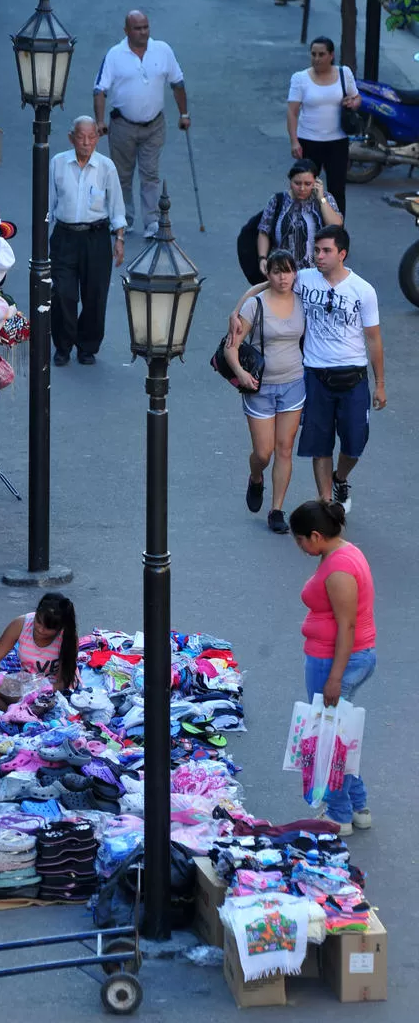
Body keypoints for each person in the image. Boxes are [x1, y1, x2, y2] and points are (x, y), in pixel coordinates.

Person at [229, 226, 386, 514]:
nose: (318, 256)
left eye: (325, 251)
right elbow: (266, 286)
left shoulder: (363, 290)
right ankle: (326, 503)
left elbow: (374, 339)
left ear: (342, 254)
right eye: (316, 250)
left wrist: (380, 384)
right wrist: (236, 312)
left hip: (353, 375)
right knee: (319, 443)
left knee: (355, 443)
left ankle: (340, 478)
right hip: (314, 375)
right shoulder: (305, 279)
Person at [289, 499, 376, 836]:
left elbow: (347, 627)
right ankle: (358, 805)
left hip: (335, 661)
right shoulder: (342, 552)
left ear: (315, 536)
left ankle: (339, 815)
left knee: (329, 739)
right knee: (341, 733)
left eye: (300, 541)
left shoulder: (339, 570)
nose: (299, 547)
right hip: (339, 657)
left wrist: (334, 679)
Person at [224, 250, 305, 534]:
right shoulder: (254, 306)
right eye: (276, 272)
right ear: (268, 274)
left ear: (295, 273)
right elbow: (230, 347)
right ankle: (256, 477)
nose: (283, 277)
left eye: (288, 271)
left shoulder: (302, 299)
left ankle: (277, 510)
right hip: (259, 387)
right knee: (264, 452)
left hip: (294, 383)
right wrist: (241, 373)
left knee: (285, 449)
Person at [93, 10, 189, 238]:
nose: (143, 32)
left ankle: (153, 221)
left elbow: (177, 83)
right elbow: (99, 90)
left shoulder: (162, 50)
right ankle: (123, 219)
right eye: (137, 28)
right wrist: (99, 121)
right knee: (122, 175)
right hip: (122, 125)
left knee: (150, 174)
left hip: (154, 125)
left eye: (146, 27)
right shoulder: (115, 55)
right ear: (126, 31)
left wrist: (184, 113)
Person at [49, 117, 127, 366]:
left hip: (96, 238)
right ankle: (62, 346)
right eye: (81, 137)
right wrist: (42, 239)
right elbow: (47, 204)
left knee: (95, 295)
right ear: (71, 138)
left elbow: (116, 207)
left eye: (91, 137)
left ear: (97, 138)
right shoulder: (58, 163)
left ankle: (87, 346)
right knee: (62, 293)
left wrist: (120, 239)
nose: (86, 142)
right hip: (64, 236)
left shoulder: (106, 167)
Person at [286, 36, 361, 217]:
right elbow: (292, 112)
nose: (317, 58)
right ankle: (304, 228)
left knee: (337, 190)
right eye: (313, 54)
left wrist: (353, 103)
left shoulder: (344, 74)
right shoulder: (300, 78)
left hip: (337, 141)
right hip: (308, 141)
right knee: (305, 190)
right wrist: (294, 141)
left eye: (321, 54)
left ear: (331, 55)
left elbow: (357, 98)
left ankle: (336, 232)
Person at [0, 593, 78, 711]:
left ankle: (21, 712)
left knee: (37, 703)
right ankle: (13, 713)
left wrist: (38, 691)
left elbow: (62, 684)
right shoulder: (21, 623)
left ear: (60, 627)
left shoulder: (67, 637)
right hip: (25, 684)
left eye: (48, 628)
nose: (40, 629)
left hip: (50, 691)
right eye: (38, 622)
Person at [257, 159, 342, 274]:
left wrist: (321, 199)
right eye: (297, 183)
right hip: (282, 270)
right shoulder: (277, 200)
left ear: (316, 182)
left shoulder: (325, 199)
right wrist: (262, 258)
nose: (302, 188)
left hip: (316, 271)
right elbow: (264, 232)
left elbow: (336, 226)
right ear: (290, 181)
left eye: (308, 184)